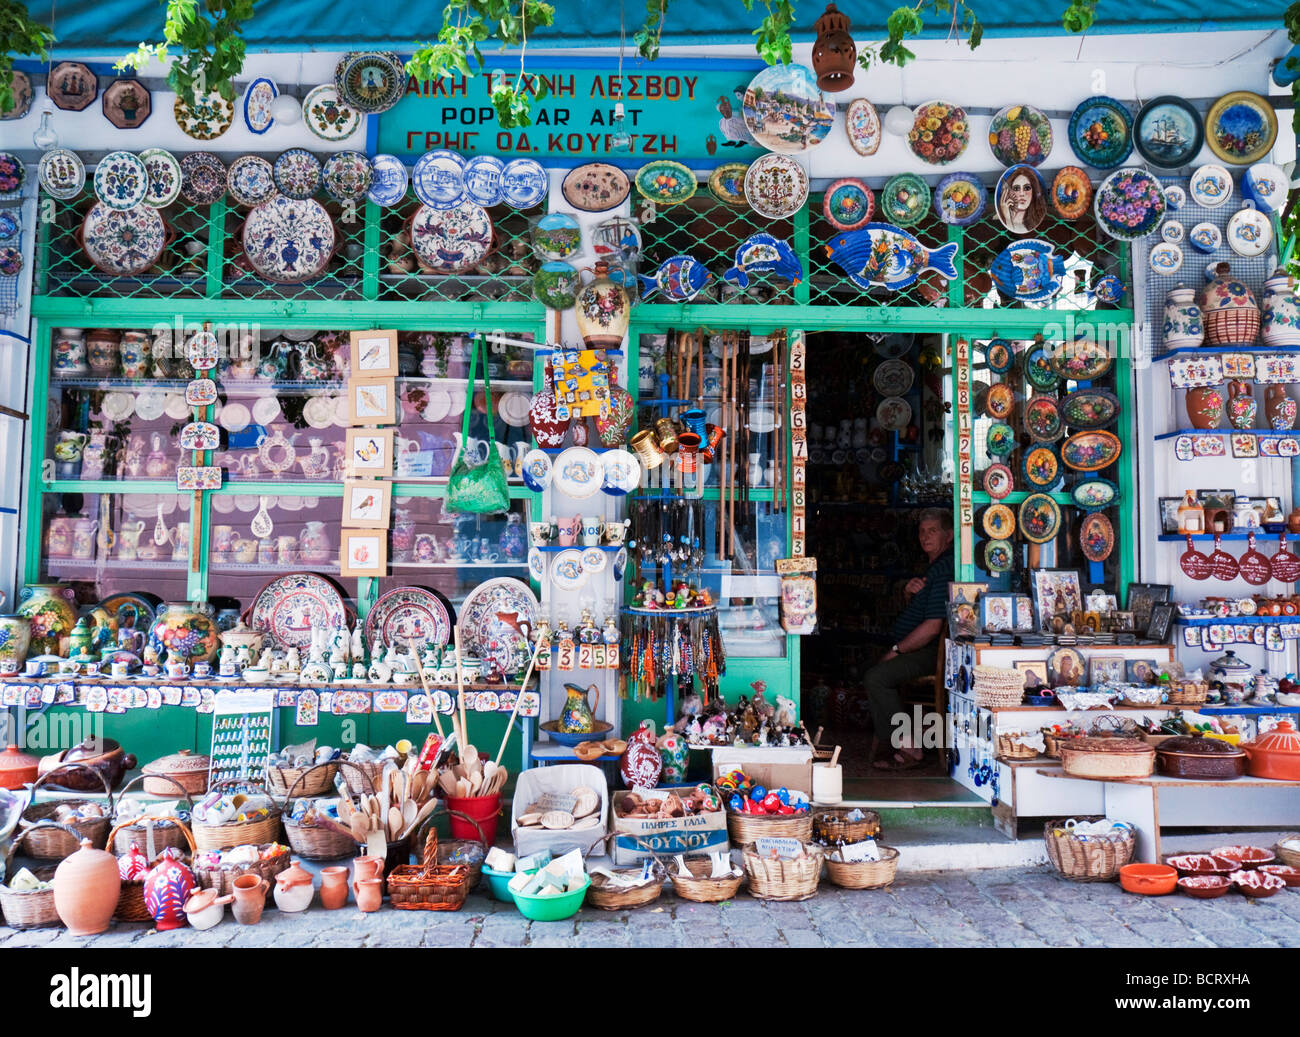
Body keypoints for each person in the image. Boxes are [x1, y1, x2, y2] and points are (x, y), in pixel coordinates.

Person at [864, 508, 955, 770]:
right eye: (922, 531)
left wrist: (897, 649)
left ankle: (909, 747)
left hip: (929, 651)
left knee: (876, 676)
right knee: (870, 669)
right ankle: (897, 739)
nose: (925, 537)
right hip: (919, 647)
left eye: (933, 531)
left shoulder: (945, 569)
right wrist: (908, 593)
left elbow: (931, 627)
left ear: (948, 536)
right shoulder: (935, 567)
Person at [996, 167, 1046, 234]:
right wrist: (1007, 217)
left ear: (1034, 191)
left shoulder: (1037, 219)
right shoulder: (1003, 215)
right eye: (1016, 188)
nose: (1022, 193)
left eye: (1027, 188)